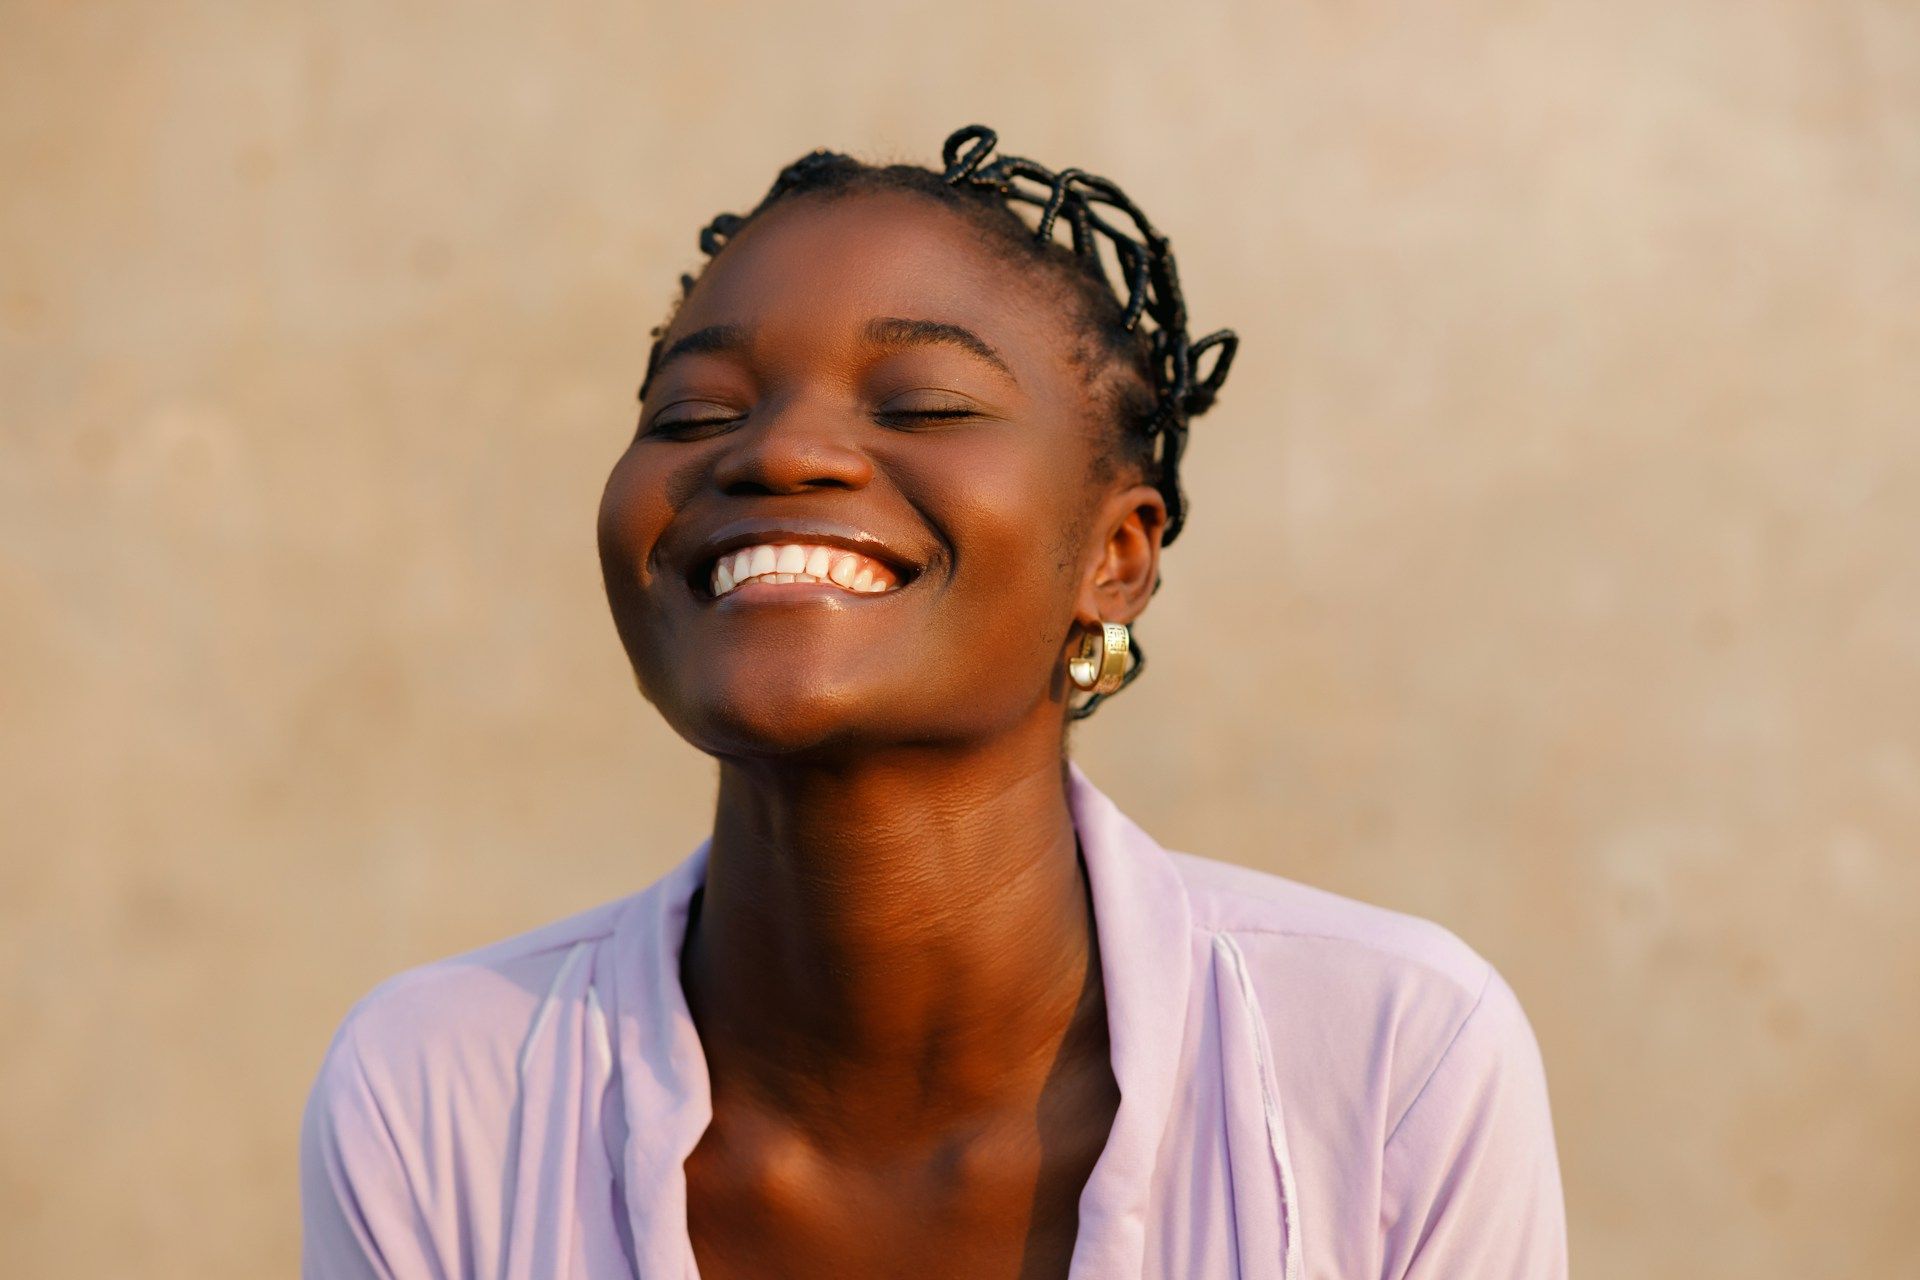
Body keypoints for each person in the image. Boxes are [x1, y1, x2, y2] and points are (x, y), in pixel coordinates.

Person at [300, 124, 1567, 1279]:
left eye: (925, 405)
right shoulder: (438, 1094)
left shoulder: (1390, 1064)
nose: (779, 452)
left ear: (1114, 556)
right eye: (695, 411)